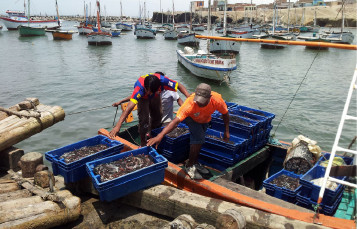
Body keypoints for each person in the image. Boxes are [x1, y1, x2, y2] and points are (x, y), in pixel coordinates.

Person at [147, 83, 230, 180]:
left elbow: (225, 114)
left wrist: (226, 131)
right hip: (191, 118)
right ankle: (189, 165)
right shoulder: (189, 104)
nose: (199, 103)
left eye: (202, 102)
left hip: (205, 119)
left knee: (200, 140)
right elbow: (175, 122)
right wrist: (160, 135)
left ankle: (195, 162)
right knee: (198, 139)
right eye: (198, 100)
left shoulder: (217, 100)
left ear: (210, 97)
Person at [109, 72, 190, 146]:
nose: (149, 93)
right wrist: (118, 126)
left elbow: (178, 85)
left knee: (158, 116)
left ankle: (153, 135)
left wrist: (188, 97)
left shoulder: (163, 81)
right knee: (144, 120)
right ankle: (143, 142)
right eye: (148, 91)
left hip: (156, 95)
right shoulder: (139, 88)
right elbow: (129, 108)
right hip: (143, 98)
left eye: (151, 92)